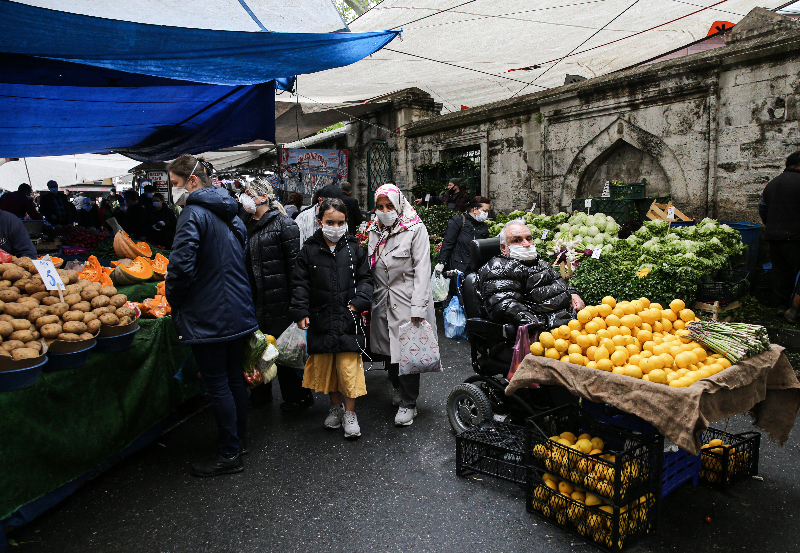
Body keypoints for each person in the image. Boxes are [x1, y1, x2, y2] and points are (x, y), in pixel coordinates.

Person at [165, 154, 258, 477]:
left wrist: (175, 301)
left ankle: (230, 453)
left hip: (209, 313)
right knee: (233, 378)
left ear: (192, 181)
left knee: (218, 383)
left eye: (175, 184)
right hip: (236, 308)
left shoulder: (192, 214)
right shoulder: (231, 212)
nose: (172, 191)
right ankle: (238, 441)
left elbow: (180, 267)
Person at [290, 198, 373, 439]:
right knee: (329, 368)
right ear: (320, 222)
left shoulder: (354, 249)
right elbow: (300, 284)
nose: (335, 227)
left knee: (348, 368)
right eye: (330, 222)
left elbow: (366, 280)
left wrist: (358, 303)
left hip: (349, 318)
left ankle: (350, 413)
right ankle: (335, 408)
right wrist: (301, 311)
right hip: (320, 317)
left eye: (340, 222)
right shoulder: (308, 249)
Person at [242, 179, 315, 412]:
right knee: (257, 348)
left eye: (249, 193)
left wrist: (298, 305)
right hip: (254, 299)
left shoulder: (285, 225)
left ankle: (297, 397)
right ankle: (260, 392)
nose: (244, 198)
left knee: (285, 352)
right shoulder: (243, 224)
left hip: (281, 300)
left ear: (263, 197)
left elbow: (296, 269)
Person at [368, 183, 436, 427]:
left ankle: (409, 403)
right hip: (382, 299)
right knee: (389, 350)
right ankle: (396, 388)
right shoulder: (374, 230)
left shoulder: (415, 228)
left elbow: (422, 270)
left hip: (407, 300)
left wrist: (418, 308)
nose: (385, 211)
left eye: (389, 206)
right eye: (380, 206)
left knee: (408, 352)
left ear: (399, 205)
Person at [477, 219, 585, 329]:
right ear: (504, 248)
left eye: (529, 239)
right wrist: (539, 326)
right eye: (517, 240)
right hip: (549, 332)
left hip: (571, 323)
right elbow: (504, 304)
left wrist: (573, 293)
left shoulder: (542, 264)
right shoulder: (499, 269)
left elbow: (560, 285)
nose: (526, 244)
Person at [760, 151, 800, 317]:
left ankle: (781, 306)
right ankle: (794, 309)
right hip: (797, 237)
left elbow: (762, 208)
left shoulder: (772, 184)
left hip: (775, 236)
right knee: (797, 273)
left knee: (780, 272)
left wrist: (771, 225)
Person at [435, 196, 491, 296]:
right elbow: (448, 242)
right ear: (475, 209)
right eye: (484, 210)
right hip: (458, 268)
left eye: (487, 211)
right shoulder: (459, 221)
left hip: (475, 270)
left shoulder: (483, 227)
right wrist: (442, 262)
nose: (486, 214)